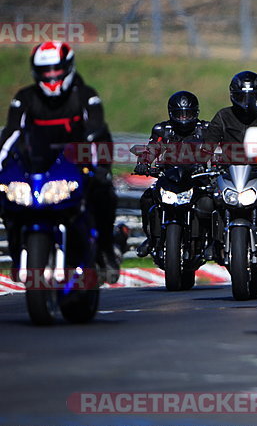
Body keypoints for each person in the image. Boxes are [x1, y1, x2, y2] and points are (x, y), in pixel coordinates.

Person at [0, 42, 120, 279]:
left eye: (56, 70)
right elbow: (10, 135)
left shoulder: (86, 96)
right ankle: (17, 252)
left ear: (68, 68)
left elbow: (97, 133)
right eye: (46, 72)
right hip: (37, 167)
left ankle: (106, 250)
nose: (52, 76)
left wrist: (100, 167)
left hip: (77, 163)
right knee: (7, 199)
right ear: (36, 72)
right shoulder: (24, 98)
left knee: (104, 193)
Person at [133, 91, 213, 257]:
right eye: (179, 115)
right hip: (169, 178)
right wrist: (143, 163)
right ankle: (151, 238)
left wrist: (215, 165)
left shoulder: (205, 130)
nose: (184, 119)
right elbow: (152, 149)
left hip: (197, 179)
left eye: (188, 115)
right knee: (147, 198)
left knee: (211, 202)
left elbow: (219, 150)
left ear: (196, 113)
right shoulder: (162, 130)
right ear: (171, 114)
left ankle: (212, 242)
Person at [205, 71, 257, 158]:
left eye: (252, 97)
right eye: (242, 97)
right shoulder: (223, 116)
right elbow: (207, 148)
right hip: (227, 169)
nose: (247, 102)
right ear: (233, 94)